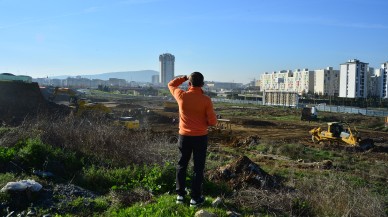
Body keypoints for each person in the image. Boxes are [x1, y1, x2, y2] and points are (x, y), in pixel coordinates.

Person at [168, 72, 217, 207]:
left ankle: (180, 195)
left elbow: (171, 84)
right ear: (202, 84)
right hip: (200, 137)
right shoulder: (206, 100)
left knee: (182, 164)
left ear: (189, 83)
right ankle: (195, 198)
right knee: (198, 167)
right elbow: (213, 122)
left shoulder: (181, 95)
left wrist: (183, 78)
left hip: (184, 137)